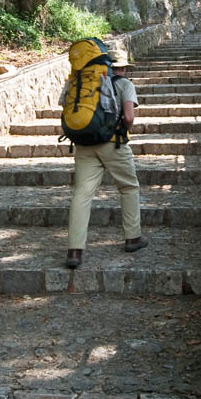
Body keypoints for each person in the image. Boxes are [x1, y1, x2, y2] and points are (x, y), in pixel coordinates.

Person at [65, 47, 149, 268]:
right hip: (114, 144)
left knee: (82, 194)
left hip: (84, 144)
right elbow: (129, 119)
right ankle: (133, 237)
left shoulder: (80, 81)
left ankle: (75, 251)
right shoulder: (124, 84)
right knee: (128, 187)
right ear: (120, 68)